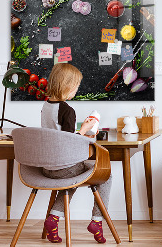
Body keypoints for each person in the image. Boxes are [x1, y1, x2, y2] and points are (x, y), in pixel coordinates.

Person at [41, 63, 111, 244]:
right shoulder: (67, 110)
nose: (76, 90)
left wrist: (80, 131)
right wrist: (86, 129)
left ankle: (53, 219)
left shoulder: (46, 106)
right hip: (64, 167)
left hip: (47, 167)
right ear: (68, 86)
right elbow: (69, 142)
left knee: (71, 178)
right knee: (106, 175)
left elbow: (58, 135)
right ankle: (97, 221)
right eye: (76, 86)